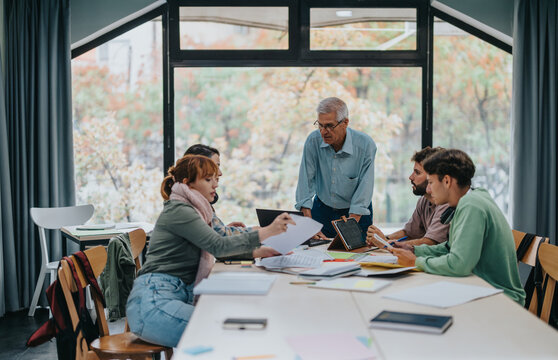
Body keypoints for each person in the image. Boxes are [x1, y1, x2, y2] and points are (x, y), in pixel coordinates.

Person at [126, 155, 294, 347]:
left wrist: (258, 252)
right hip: (153, 304)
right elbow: (218, 245)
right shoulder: (180, 211)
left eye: (215, 179)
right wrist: (267, 231)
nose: (215, 185)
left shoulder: (196, 209)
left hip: (167, 296)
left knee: (238, 325)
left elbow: (218, 246)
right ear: (187, 183)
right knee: (228, 331)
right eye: (208, 180)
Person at [370, 149, 525, 305]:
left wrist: (415, 262)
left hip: (501, 298)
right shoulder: (468, 200)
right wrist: (413, 250)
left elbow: (459, 265)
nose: (428, 189)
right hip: (480, 288)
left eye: (430, 182)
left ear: (447, 181)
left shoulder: (471, 206)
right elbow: (450, 248)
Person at [295, 97, 376, 239]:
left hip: (356, 212)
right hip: (322, 210)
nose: (323, 132)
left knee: (356, 257)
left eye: (329, 126)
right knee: (317, 256)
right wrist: (308, 224)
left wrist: (349, 228)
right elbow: (305, 184)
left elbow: (365, 189)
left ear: (345, 123)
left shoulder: (365, 145)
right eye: (320, 125)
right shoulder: (313, 141)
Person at [366, 147, 450, 248]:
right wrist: (383, 239)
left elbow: (431, 242)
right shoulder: (424, 200)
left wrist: (387, 244)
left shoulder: (446, 203)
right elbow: (409, 233)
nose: (411, 177)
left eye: (417, 172)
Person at [184, 144, 253, 236]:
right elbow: (219, 239)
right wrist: (259, 232)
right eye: (215, 167)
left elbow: (212, 235)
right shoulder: (191, 205)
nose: (220, 173)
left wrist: (222, 229)